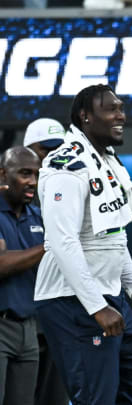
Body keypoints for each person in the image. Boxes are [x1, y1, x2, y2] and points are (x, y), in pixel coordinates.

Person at [34, 84, 132, 404]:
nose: (121, 115)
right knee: (96, 398)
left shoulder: (106, 161)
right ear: (85, 117)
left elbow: (112, 235)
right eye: (111, 109)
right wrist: (96, 306)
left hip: (108, 295)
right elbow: (62, 241)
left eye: (121, 108)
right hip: (71, 300)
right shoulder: (66, 164)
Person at [21, 118, 70, 405]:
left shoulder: (62, 196)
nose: (50, 158)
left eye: (57, 150)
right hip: (14, 322)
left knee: (55, 398)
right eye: (44, 150)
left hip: (54, 319)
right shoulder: (11, 204)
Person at [0, 147, 44, 405]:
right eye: (25, 173)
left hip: (29, 328)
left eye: (37, 174)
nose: (33, 182)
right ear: (3, 175)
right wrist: (51, 246)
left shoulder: (38, 216)